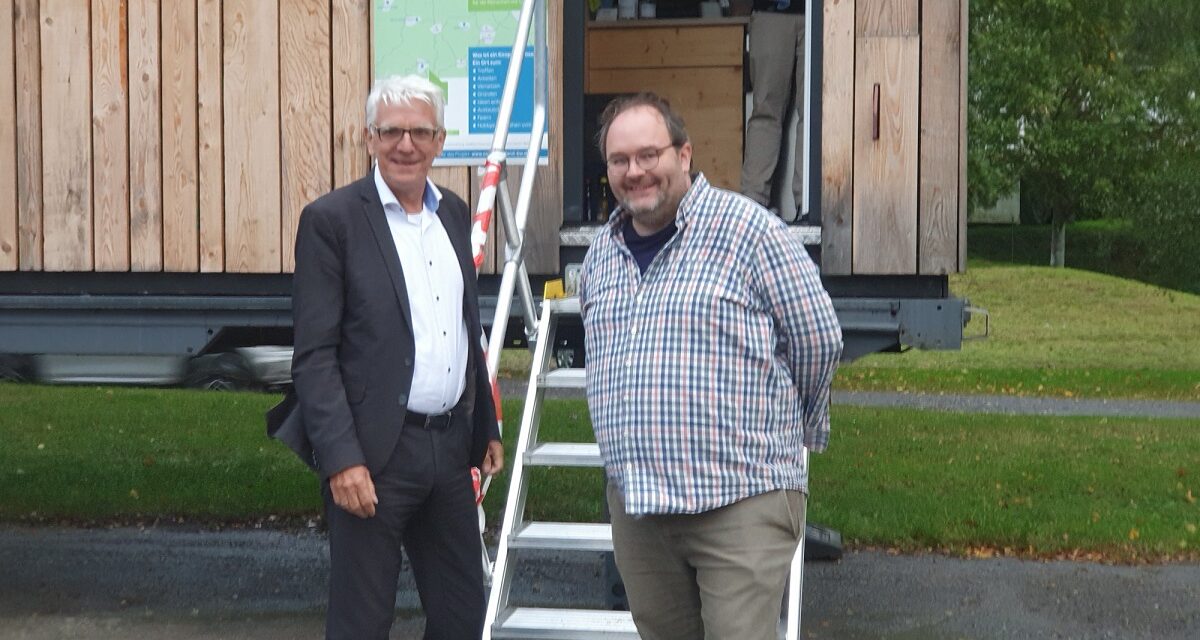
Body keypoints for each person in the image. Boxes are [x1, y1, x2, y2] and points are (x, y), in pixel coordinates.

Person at [578, 92, 843, 639]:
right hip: (640, 510)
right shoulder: (601, 256)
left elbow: (819, 340)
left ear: (684, 154)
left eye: (649, 154)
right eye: (620, 160)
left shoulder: (751, 232)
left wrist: (793, 434)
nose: (636, 172)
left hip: (739, 502)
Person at [267, 74, 504, 640]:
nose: (406, 145)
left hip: (447, 451)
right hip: (373, 455)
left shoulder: (453, 214)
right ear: (369, 138)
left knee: (461, 614)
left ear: (440, 141)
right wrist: (341, 459)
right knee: (362, 621)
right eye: (391, 131)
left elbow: (463, 330)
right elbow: (315, 357)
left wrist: (485, 427)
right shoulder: (332, 221)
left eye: (420, 132)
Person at [741, 0, 808, 221]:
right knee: (766, 113)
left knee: (815, 115)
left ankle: (809, 205)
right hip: (770, 12)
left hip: (824, 13)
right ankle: (753, 206)